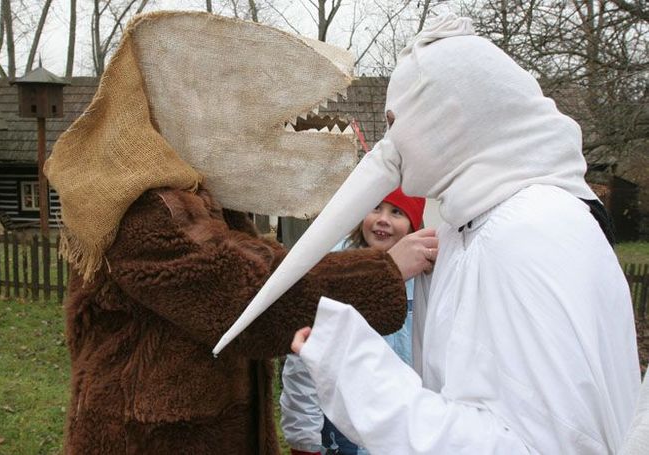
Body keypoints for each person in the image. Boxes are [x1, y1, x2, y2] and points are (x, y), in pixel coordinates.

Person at [219, 13, 642, 455]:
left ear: (448, 118)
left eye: (396, 120)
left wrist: (358, 371)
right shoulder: (476, 228)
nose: (390, 142)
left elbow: (539, 445)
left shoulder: (531, 231)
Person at [43, 11, 438, 455]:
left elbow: (255, 261)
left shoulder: (198, 195)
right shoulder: (146, 209)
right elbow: (249, 298)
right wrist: (384, 270)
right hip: (152, 439)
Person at [280, 188, 428, 455]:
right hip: (342, 426)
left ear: (413, 225)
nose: (383, 219)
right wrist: (303, 437)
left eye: (396, 211)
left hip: (401, 424)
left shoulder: (425, 280)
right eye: (376, 208)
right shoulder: (336, 270)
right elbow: (305, 359)